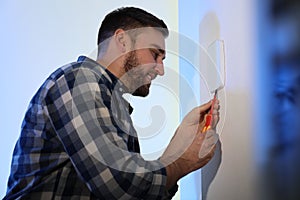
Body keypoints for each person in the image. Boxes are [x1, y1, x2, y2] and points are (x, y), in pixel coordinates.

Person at [4, 7, 220, 199]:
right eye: (155, 54)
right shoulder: (79, 82)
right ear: (123, 41)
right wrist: (182, 162)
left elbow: (134, 192)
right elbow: (119, 185)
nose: (161, 70)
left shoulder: (112, 104)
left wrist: (179, 145)